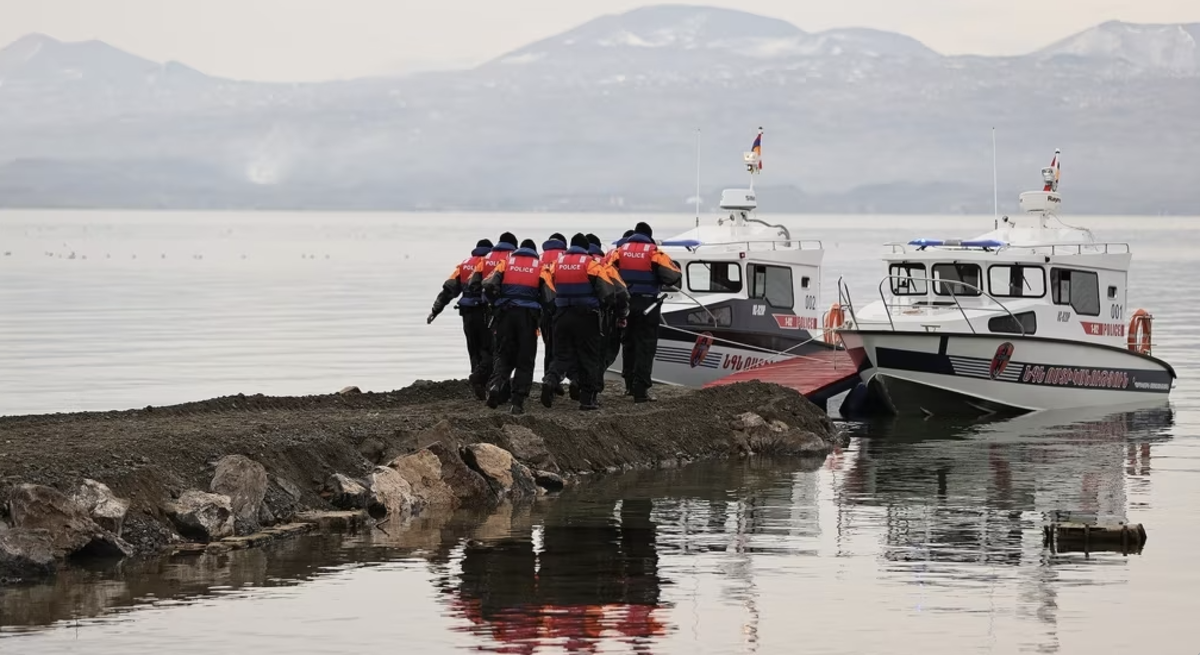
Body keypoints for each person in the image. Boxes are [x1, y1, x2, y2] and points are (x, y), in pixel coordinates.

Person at [541, 234, 618, 411]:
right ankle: (587, 400)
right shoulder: (591, 263)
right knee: (588, 357)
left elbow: (547, 286)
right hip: (586, 316)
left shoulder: (557, 263)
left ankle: (550, 380)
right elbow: (607, 292)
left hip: (561, 315)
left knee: (561, 355)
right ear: (585, 248)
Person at [610, 222, 681, 403]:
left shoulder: (620, 251)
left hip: (625, 302)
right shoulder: (653, 252)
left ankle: (628, 384)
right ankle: (640, 391)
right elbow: (673, 276)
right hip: (648, 304)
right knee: (646, 346)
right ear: (649, 236)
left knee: (628, 343)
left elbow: (607, 271)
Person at [482, 238, 554, 414]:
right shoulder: (540, 267)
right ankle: (517, 402)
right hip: (528, 319)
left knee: (504, 354)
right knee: (525, 359)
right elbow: (549, 296)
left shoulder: (505, 263)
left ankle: (496, 386)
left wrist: (496, 304)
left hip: (505, 314)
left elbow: (488, 285)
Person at [427, 238, 494, 377]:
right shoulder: (490, 264)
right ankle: (480, 378)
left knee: (473, 347)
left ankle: (475, 375)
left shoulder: (464, 265)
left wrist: (435, 310)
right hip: (484, 312)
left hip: (467, 312)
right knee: (487, 347)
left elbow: (448, 290)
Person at [466, 232, 518, 401]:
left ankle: (482, 380)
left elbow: (473, 283)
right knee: (500, 350)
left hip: (481, 310)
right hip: (506, 311)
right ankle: (491, 383)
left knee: (478, 350)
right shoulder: (512, 259)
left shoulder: (485, 259)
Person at [539, 233, 568, 383]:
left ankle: (547, 377)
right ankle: (556, 378)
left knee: (548, 344)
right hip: (563, 308)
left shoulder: (538, 257)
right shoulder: (566, 257)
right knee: (563, 345)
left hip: (543, 309)